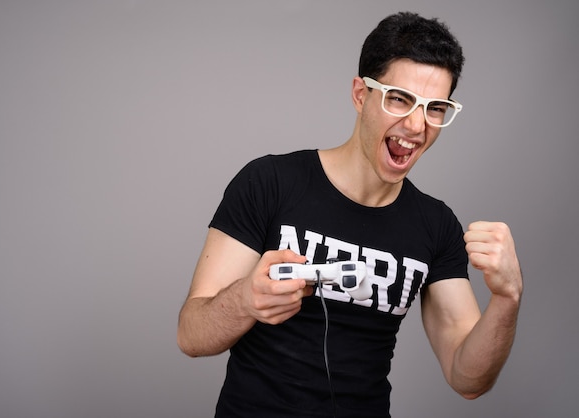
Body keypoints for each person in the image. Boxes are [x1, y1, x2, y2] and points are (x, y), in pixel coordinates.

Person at [177, 11, 523, 418]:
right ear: (361, 94)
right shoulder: (269, 182)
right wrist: (245, 300)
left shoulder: (437, 226)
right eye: (399, 98)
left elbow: (468, 381)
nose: (416, 125)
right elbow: (190, 334)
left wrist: (507, 298)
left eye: (435, 108)